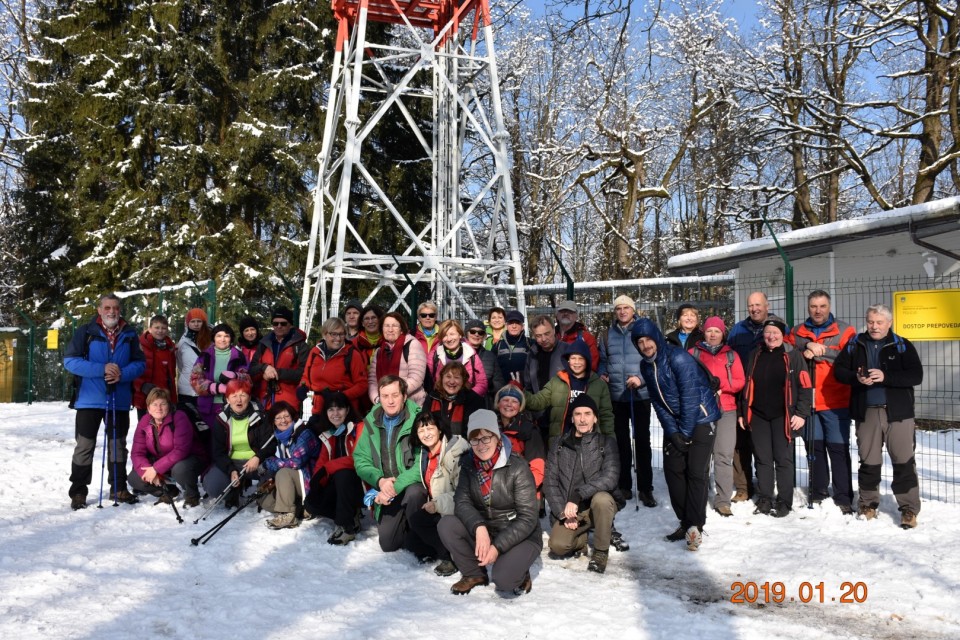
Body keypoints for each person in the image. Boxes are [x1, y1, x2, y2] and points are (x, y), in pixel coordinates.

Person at [632, 318, 720, 551]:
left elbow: (690, 399)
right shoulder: (645, 366)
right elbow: (658, 403)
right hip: (678, 424)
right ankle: (685, 522)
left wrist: (686, 434)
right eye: (639, 342)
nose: (645, 345)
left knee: (696, 472)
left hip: (701, 419)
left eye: (648, 339)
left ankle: (695, 526)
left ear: (657, 338)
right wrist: (673, 432)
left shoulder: (678, 358)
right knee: (673, 471)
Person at [834, 304, 923, 528]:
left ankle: (909, 509)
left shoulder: (901, 345)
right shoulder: (856, 344)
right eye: (871, 321)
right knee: (869, 462)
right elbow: (839, 371)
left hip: (899, 413)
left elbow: (916, 375)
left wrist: (886, 376)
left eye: (879, 322)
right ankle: (867, 504)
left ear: (889, 323)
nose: (874, 326)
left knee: (903, 462)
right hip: (867, 413)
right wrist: (857, 378)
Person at [437, 410, 541, 596]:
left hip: (519, 534)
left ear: (497, 437)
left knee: (504, 581)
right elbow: (461, 501)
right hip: (487, 529)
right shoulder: (468, 463)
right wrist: (479, 527)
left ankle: (520, 569)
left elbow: (528, 517)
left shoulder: (517, 467)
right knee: (447, 524)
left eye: (486, 438)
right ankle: (474, 574)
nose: (481, 445)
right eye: (475, 439)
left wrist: (497, 546)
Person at [65, 294, 147, 510]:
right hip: (89, 400)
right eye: (107, 307)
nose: (112, 311)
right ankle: (79, 492)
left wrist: (122, 373)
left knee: (118, 445)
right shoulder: (86, 331)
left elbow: (140, 364)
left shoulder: (129, 333)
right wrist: (101, 369)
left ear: (120, 310)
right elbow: (70, 361)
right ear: (99, 310)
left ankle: (118, 488)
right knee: (84, 446)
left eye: (116, 308)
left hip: (118, 399)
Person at [787, 290, 857, 514]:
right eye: (814, 306)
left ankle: (844, 496)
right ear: (808, 308)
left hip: (836, 400)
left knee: (838, 448)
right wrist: (805, 346)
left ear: (829, 307)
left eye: (822, 306)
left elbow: (852, 358)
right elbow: (787, 352)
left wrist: (822, 352)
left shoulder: (845, 330)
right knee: (814, 448)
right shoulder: (798, 332)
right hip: (808, 401)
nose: (818, 311)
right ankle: (818, 492)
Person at [739, 319, 812, 518]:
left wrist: (801, 413)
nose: (771, 336)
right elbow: (746, 385)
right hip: (759, 416)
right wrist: (742, 412)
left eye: (775, 332)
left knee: (783, 459)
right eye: (767, 332)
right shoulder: (755, 354)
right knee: (762, 459)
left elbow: (805, 386)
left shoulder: (793, 356)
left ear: (782, 334)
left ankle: (784, 501)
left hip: (784, 415)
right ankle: (765, 499)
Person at [544, 394, 619, 574]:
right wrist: (563, 513)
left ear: (595, 418)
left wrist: (577, 495)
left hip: (595, 507)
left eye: (587, 413)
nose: (583, 419)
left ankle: (600, 552)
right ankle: (581, 537)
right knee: (558, 546)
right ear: (572, 417)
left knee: (602, 499)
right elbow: (550, 482)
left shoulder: (606, 443)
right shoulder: (559, 444)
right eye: (578, 414)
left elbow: (610, 477)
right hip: (569, 511)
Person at [353, 375, 426, 552]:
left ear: (405, 396)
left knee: (415, 493)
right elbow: (360, 459)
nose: (390, 401)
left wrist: (394, 486)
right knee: (388, 543)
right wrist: (380, 481)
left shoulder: (418, 420)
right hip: (385, 486)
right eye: (385, 396)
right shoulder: (371, 420)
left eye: (395, 395)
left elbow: (422, 462)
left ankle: (421, 539)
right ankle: (407, 526)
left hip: (410, 484)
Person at [598, 295, 656, 507]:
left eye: (626, 308)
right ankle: (623, 486)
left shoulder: (643, 330)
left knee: (642, 442)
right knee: (620, 443)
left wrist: (640, 379)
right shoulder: (606, 334)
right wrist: (603, 373)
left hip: (639, 395)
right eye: (618, 308)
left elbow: (652, 359)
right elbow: (603, 361)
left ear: (633, 310)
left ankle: (645, 488)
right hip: (616, 396)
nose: (622, 312)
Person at [688, 316, 745, 517]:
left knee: (723, 455)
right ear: (704, 332)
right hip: (701, 411)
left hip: (726, 410)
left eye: (717, 331)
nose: (713, 334)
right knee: (701, 458)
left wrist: (722, 386)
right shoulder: (693, 353)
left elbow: (740, 381)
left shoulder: (731, 355)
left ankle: (723, 500)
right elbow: (685, 380)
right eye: (709, 330)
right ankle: (699, 497)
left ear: (723, 334)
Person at [406, 412, 471, 576]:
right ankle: (439, 547)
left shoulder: (455, 453)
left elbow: (463, 494)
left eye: (430, 428)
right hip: (440, 505)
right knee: (411, 542)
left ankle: (449, 556)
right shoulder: (424, 453)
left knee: (418, 521)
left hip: (456, 508)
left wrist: (437, 504)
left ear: (440, 429)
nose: (426, 434)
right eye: (421, 430)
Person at [725, 291, 772, 502]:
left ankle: (765, 488)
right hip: (740, 394)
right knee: (739, 444)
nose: (754, 308)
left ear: (767, 306)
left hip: (765, 395)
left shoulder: (777, 327)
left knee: (762, 445)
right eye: (751, 305)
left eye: (758, 305)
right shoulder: (737, 330)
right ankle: (743, 487)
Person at [128, 388, 207, 508]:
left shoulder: (179, 417)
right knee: (135, 478)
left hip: (189, 459)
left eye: (162, 404)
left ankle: (192, 495)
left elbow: (181, 450)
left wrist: (156, 469)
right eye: (154, 404)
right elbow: (137, 453)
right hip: (162, 462)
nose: (158, 408)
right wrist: (150, 471)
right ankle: (168, 491)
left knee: (180, 468)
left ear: (169, 406)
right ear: (148, 408)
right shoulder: (145, 421)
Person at [304, 392, 365, 544]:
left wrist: (328, 468)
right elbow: (322, 462)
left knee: (343, 474)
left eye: (339, 409)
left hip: (360, 483)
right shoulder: (329, 434)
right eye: (331, 410)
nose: (335, 413)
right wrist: (316, 482)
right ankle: (351, 514)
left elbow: (358, 459)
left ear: (347, 410)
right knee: (311, 503)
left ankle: (346, 526)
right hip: (339, 485)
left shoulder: (359, 428)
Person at [523, 340, 614, 443]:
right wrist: (521, 394)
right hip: (562, 441)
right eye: (573, 358)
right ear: (568, 360)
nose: (577, 362)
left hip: (590, 443)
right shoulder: (557, 381)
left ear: (587, 361)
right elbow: (538, 401)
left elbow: (606, 417)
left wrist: (610, 443)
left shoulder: (599, 384)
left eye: (581, 358)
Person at [203, 378, 273, 506]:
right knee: (213, 487)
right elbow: (218, 452)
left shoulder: (261, 416)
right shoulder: (221, 420)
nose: (238, 400)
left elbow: (270, 444)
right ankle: (233, 492)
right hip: (232, 462)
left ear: (249, 397)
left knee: (267, 497)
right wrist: (231, 470)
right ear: (228, 399)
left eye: (243, 395)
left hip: (256, 462)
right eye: (234, 396)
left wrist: (258, 457)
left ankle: (261, 494)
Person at [258, 402, 320, 529]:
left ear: (293, 417)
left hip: (310, 482)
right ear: (273, 421)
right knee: (264, 500)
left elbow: (295, 462)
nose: (283, 421)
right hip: (295, 481)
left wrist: (268, 463)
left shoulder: (303, 434)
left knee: (283, 472)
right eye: (278, 418)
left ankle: (288, 515)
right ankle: (301, 510)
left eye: (286, 416)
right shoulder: (281, 438)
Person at [298, 317, 368, 417]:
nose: (338, 338)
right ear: (325, 334)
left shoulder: (351, 354)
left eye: (341, 334)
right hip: (319, 409)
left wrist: (342, 396)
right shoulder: (315, 352)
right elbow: (306, 376)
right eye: (334, 334)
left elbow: (362, 384)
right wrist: (302, 387)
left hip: (342, 410)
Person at [190, 322, 248, 437]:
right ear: (214, 338)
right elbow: (195, 379)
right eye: (219, 336)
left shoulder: (239, 356)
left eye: (226, 336)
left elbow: (247, 379)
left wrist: (236, 376)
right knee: (209, 440)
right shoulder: (204, 356)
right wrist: (215, 387)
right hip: (208, 407)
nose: (223, 339)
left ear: (231, 338)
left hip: (232, 406)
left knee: (228, 439)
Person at [249, 306, 309, 410]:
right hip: (265, 402)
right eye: (275, 323)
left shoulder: (300, 346)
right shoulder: (264, 343)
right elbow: (252, 369)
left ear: (290, 325)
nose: (279, 326)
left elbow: (304, 373)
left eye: (283, 323)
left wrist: (276, 373)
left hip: (289, 404)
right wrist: (264, 368)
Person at [494, 385, 545, 501]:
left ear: (520, 406)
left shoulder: (530, 431)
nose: (509, 404)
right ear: (498, 404)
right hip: (495, 490)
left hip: (524, 492)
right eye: (505, 400)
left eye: (514, 401)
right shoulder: (489, 430)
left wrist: (519, 492)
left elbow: (537, 469)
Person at [368, 312, 428, 406]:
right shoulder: (379, 351)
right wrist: (378, 399)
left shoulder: (413, 344)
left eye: (395, 326)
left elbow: (416, 377)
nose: (390, 329)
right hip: (384, 406)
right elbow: (372, 381)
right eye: (386, 326)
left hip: (410, 404)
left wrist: (396, 395)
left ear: (401, 329)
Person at [525, 314, 568, 442]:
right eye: (538, 336)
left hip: (562, 415)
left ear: (554, 331)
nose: (543, 339)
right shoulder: (531, 355)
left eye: (547, 333)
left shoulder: (567, 351)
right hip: (539, 415)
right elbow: (528, 385)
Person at [427, 319, 488, 397]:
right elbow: (428, 381)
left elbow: (482, 382)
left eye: (452, 334)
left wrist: (470, 396)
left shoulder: (471, 354)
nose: (449, 339)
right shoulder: (434, 354)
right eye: (445, 335)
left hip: (466, 402)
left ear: (460, 334)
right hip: (441, 401)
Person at [133, 315, 178, 420]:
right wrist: (141, 386)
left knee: (165, 430)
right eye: (157, 327)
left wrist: (173, 398)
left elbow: (172, 374)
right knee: (146, 429)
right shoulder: (140, 346)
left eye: (163, 328)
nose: (160, 331)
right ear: (150, 328)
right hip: (146, 395)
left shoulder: (169, 347)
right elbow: (133, 370)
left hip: (164, 397)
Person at [427, 361, 486, 437]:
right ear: (442, 378)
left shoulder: (474, 400)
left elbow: (475, 432)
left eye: (456, 377)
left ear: (463, 380)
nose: (452, 382)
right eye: (448, 377)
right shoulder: (432, 397)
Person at [176, 308, 211, 410]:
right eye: (193, 321)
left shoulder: (211, 341)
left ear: (204, 323)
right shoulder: (182, 343)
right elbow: (180, 365)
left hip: (206, 387)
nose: (196, 324)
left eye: (199, 321)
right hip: (187, 389)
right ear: (188, 323)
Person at [491, 309, 532, 390]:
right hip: (502, 390)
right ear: (506, 326)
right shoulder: (497, 346)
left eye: (517, 323)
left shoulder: (530, 344)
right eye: (511, 323)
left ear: (522, 326)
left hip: (525, 391)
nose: (514, 326)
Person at [554, 299, 600, 372]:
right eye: (562, 311)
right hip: (552, 381)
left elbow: (592, 365)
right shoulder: (549, 336)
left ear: (576, 316)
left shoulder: (586, 338)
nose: (566, 313)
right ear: (557, 315)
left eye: (570, 311)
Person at [464, 318, 498, 407]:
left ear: (484, 336)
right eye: (472, 331)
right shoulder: (459, 353)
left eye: (480, 333)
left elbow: (498, 382)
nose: (476, 335)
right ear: (466, 334)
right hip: (462, 401)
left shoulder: (490, 356)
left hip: (484, 402)